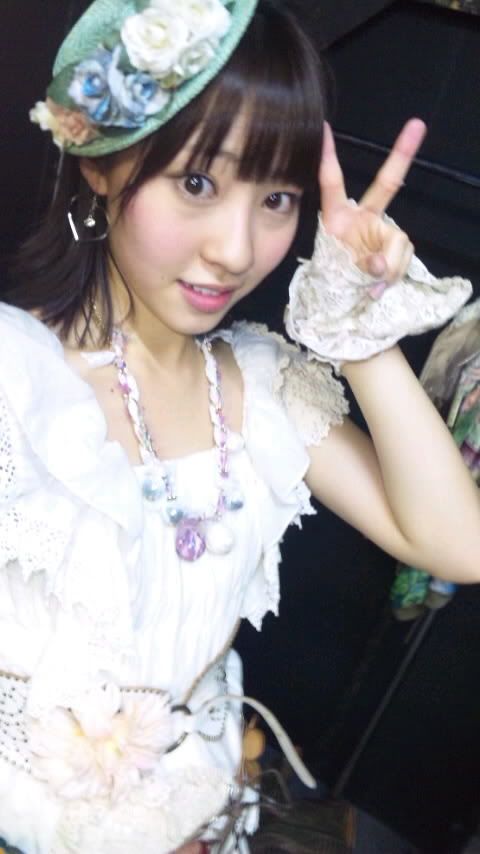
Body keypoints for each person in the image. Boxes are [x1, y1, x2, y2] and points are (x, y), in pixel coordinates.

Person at [1, 0, 479, 851]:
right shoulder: (14, 376)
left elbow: (459, 546)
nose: (235, 248)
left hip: (211, 816)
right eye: (197, 183)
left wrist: (358, 328)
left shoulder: (259, 387)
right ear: (102, 163)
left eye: (278, 198)